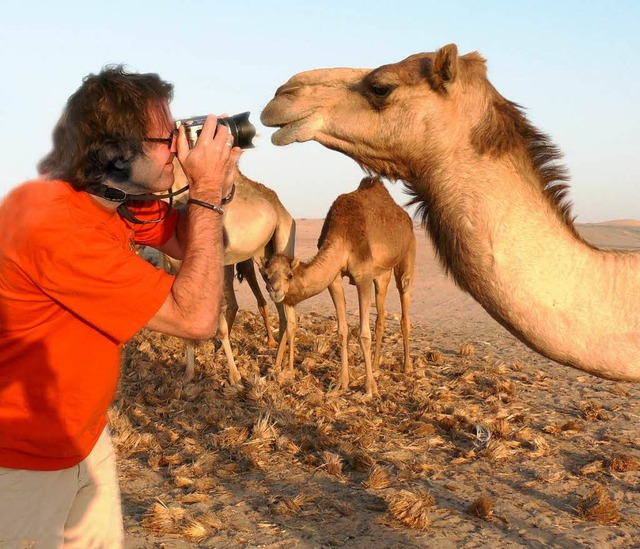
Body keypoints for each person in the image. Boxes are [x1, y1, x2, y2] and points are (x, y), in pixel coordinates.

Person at [0, 65, 241, 547]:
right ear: (115, 153)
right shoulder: (54, 226)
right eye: (167, 137)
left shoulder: (115, 199)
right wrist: (206, 193)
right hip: (22, 461)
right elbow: (196, 319)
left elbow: (190, 242)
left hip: (86, 439)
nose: (180, 146)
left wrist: (220, 185)